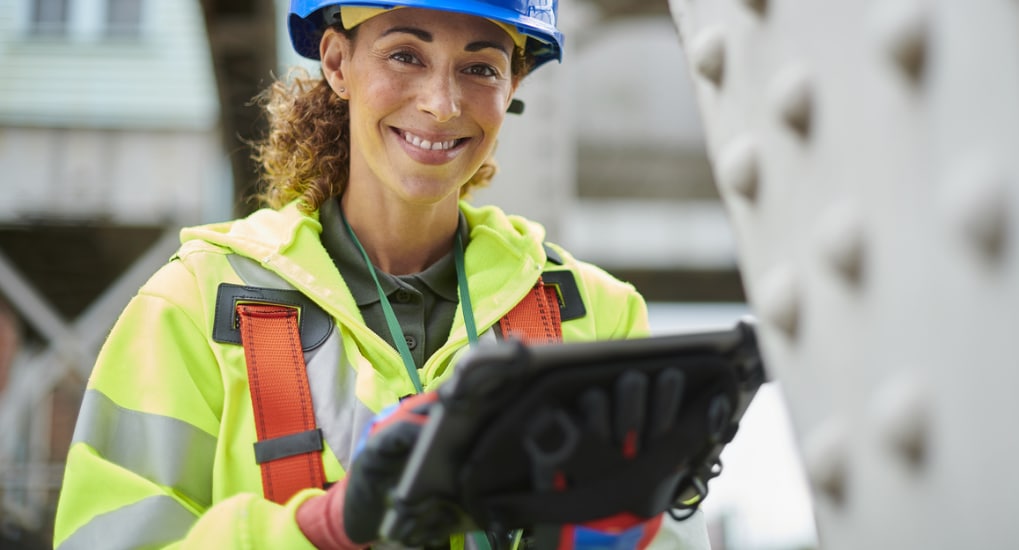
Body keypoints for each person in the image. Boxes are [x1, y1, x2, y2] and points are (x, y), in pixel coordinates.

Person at [52, 0, 712, 548]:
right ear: (337, 62)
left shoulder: (597, 315)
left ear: (513, 86)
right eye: (405, 55)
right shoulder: (195, 303)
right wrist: (320, 529)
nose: (443, 103)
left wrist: (622, 520)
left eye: (480, 67)